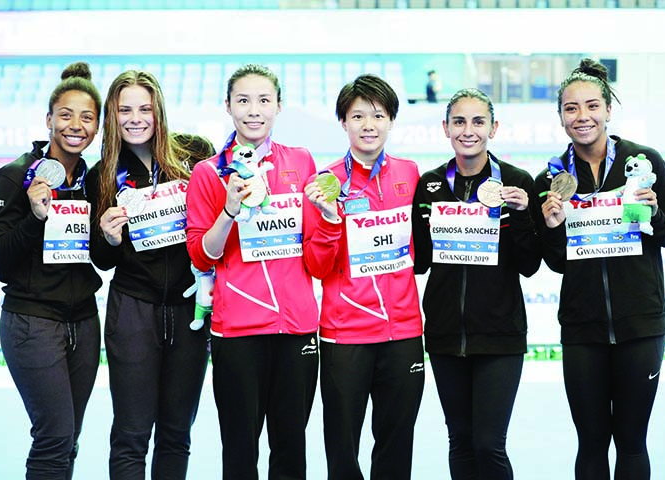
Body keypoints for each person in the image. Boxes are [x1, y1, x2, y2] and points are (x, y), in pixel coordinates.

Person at [534, 58, 665, 479]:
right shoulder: (550, 177)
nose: (582, 117)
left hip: (641, 325)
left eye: (591, 106)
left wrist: (653, 217)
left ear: (608, 109)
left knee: (633, 442)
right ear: (561, 116)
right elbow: (557, 262)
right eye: (571, 108)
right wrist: (550, 227)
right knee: (592, 442)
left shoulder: (644, 161)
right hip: (583, 329)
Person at [185, 63, 319, 480]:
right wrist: (229, 209)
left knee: (291, 452)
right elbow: (202, 255)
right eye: (243, 100)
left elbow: (314, 249)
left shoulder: (301, 161)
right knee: (240, 453)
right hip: (238, 331)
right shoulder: (209, 173)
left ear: (278, 106)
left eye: (264, 100)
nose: (254, 110)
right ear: (228, 106)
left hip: (297, 328)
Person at [86, 70, 211, 480]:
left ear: (159, 112)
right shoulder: (101, 173)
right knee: (132, 434)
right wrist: (106, 236)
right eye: (124, 110)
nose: (135, 118)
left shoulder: (195, 153)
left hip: (189, 310)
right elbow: (103, 260)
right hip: (133, 312)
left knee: (176, 433)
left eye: (145, 108)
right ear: (112, 115)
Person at [411, 88, 541, 479]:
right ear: (446, 128)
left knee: (489, 444)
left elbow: (530, 264)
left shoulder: (516, 182)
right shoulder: (431, 184)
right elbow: (420, 262)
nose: (469, 131)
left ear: (494, 128)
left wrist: (519, 215)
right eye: (460, 121)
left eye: (478, 121)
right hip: (446, 335)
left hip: (500, 336)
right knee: (461, 442)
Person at [0, 62, 103, 480]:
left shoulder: (94, 181)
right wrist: (34, 217)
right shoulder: (14, 177)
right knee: (53, 437)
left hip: (85, 322)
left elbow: (100, 256)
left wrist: (111, 234)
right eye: (66, 115)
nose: (76, 125)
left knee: (68, 438)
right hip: (33, 322)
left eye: (87, 117)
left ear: (97, 127)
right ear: (48, 119)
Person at [303, 74, 424, 480]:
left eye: (378, 115)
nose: (368, 124)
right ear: (343, 122)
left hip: (403, 332)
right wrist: (329, 220)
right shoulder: (326, 182)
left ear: (391, 120)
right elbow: (318, 268)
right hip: (345, 334)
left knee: (395, 445)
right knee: (342, 448)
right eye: (357, 116)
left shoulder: (411, 174)